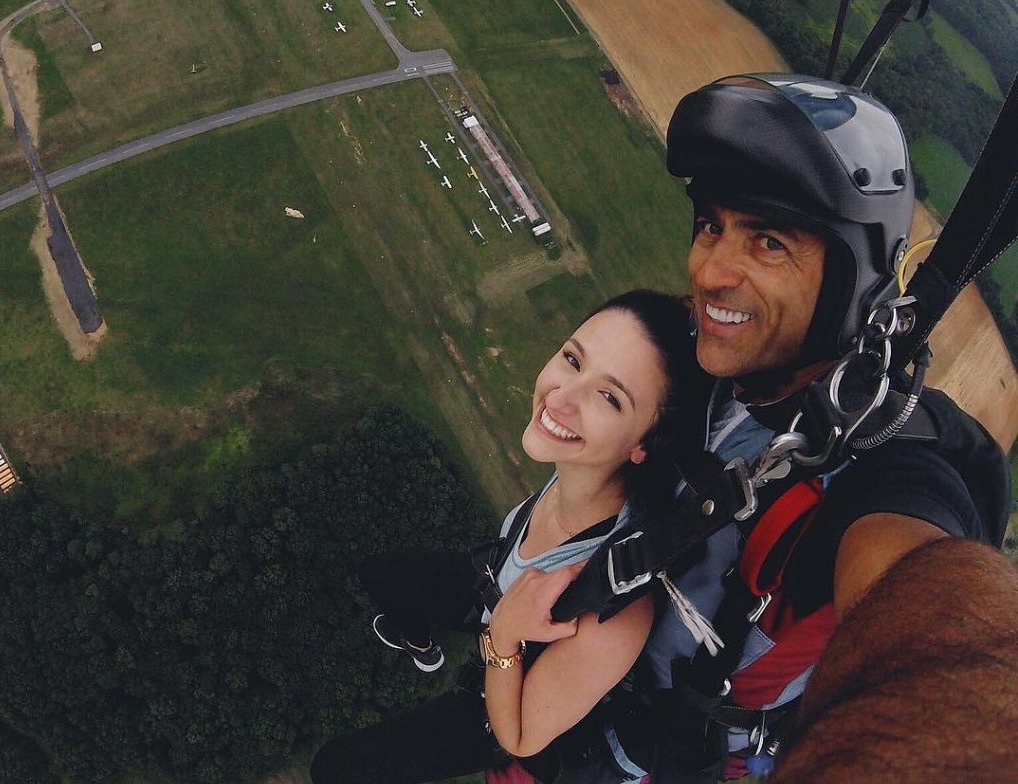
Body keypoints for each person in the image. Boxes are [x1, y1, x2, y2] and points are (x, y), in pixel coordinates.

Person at [522, 73, 1014, 783]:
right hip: (572, 690)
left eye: (770, 242)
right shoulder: (711, 364)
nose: (709, 269)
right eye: (711, 225)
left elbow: (944, 630)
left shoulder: (890, 469)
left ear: (849, 282)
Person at [309, 289, 712, 784]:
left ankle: (446, 651)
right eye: (572, 359)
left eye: (609, 397)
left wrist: (503, 635)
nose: (560, 398)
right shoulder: (579, 471)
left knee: (334, 768)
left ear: (645, 443)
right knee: (378, 574)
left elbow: (520, 738)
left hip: (497, 697)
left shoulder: (614, 607)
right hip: (493, 586)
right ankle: (423, 645)